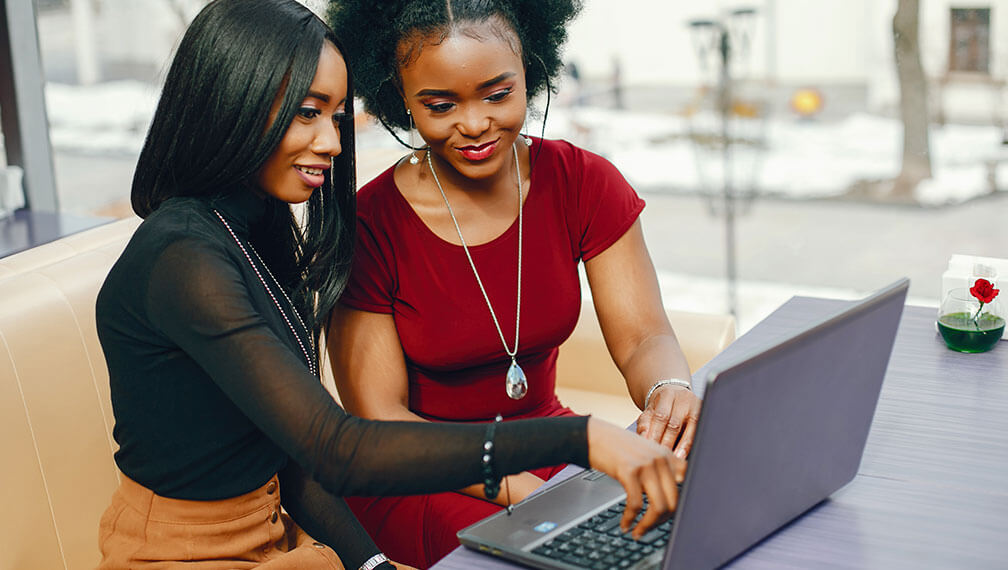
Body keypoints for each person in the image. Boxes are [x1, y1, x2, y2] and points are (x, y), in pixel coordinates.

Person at [94, 1, 685, 569]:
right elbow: (338, 446)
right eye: (307, 112)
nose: (330, 142)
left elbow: (289, 453)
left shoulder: (255, 226)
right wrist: (579, 439)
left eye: (335, 116)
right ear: (233, 102)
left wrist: (373, 564)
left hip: (277, 532)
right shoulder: (184, 257)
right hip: (186, 551)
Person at [325, 0, 703, 567]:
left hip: (553, 447)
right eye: (440, 104)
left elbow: (644, 335)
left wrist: (667, 390)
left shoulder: (583, 182)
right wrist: (538, 495)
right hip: (428, 477)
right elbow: (382, 423)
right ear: (397, 96)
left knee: (691, 521)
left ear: (532, 71)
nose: (474, 124)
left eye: (498, 94)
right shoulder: (368, 225)